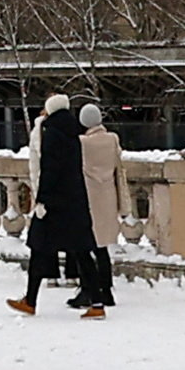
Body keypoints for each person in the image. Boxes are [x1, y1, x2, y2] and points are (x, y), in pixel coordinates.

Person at [16, 93, 96, 315]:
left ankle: (30, 299)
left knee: (38, 247)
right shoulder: (73, 132)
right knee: (82, 252)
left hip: (54, 203)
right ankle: (97, 302)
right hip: (74, 200)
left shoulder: (51, 133)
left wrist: (41, 198)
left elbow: (49, 170)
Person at [72, 100, 127, 317]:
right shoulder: (112, 139)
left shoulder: (82, 143)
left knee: (85, 246)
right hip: (107, 196)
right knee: (102, 247)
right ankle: (107, 289)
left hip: (88, 197)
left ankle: (87, 289)